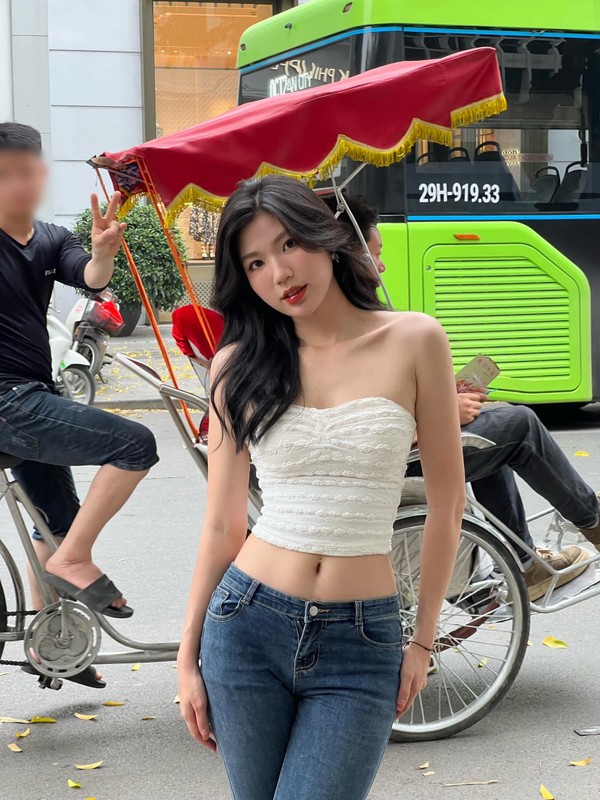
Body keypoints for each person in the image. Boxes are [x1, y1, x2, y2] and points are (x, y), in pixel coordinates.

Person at [177, 175, 465, 800]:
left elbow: (447, 506)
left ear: (326, 237)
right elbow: (223, 524)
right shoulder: (237, 364)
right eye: (255, 262)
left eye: (289, 244)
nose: (279, 272)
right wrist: (186, 657)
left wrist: (422, 641)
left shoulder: (416, 340)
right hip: (245, 626)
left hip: (362, 641)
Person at [327, 191, 598, 601]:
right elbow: (361, 414)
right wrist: (441, 412)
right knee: (519, 425)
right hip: (393, 459)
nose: (382, 265)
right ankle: (591, 521)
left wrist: (443, 394)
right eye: (375, 254)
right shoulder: (348, 323)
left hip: (400, 447)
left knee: (494, 425)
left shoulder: (352, 316)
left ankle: (524, 563)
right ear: (349, 256)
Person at [0, 123, 159, 686]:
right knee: (135, 443)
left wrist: (103, 254)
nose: (21, 183)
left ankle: (52, 646)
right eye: (7, 174)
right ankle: (73, 562)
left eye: (29, 171)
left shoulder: (49, 238)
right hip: (7, 402)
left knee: (56, 525)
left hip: (33, 396)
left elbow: (89, 276)